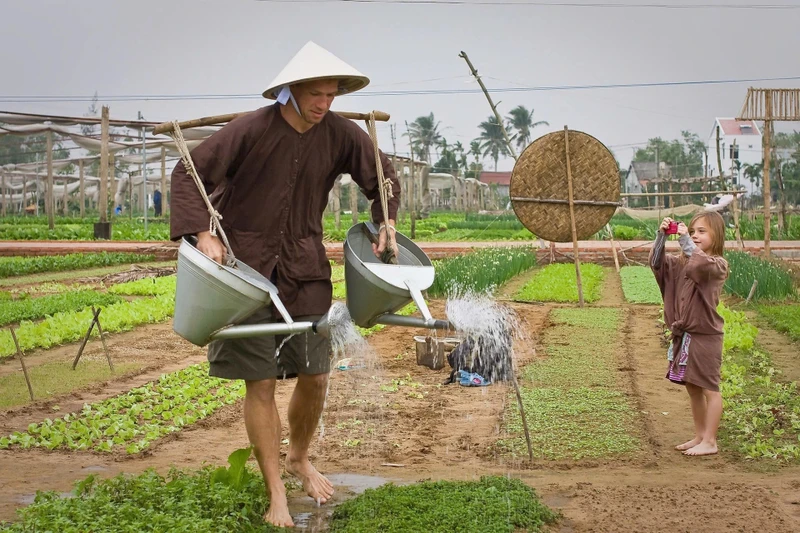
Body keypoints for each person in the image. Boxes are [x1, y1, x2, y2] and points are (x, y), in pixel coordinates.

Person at [169, 41, 400, 528]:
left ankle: (298, 456)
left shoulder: (340, 134)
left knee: (316, 375)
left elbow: (383, 176)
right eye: (315, 94)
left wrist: (387, 222)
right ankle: (276, 490)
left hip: (304, 267)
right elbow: (187, 174)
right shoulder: (250, 129)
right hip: (244, 271)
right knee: (261, 381)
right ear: (291, 92)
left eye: (331, 95)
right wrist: (204, 233)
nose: (323, 104)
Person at [650, 212, 728, 457]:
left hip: (705, 337)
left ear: (717, 236)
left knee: (709, 388)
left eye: (702, 231)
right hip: (685, 337)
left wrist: (685, 242)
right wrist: (661, 237)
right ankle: (700, 435)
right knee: (693, 388)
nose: (695, 235)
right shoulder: (680, 263)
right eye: (693, 231)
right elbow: (657, 264)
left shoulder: (717, 265)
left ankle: (711, 441)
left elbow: (700, 264)